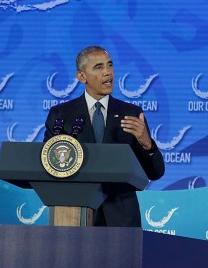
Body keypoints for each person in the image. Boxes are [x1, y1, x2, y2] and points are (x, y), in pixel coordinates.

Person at [43, 45, 165, 227]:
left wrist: (147, 144)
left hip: (121, 218)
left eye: (110, 65)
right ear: (81, 76)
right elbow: (48, 165)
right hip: (75, 215)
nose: (108, 73)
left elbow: (155, 173)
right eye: (99, 67)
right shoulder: (61, 115)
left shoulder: (131, 114)